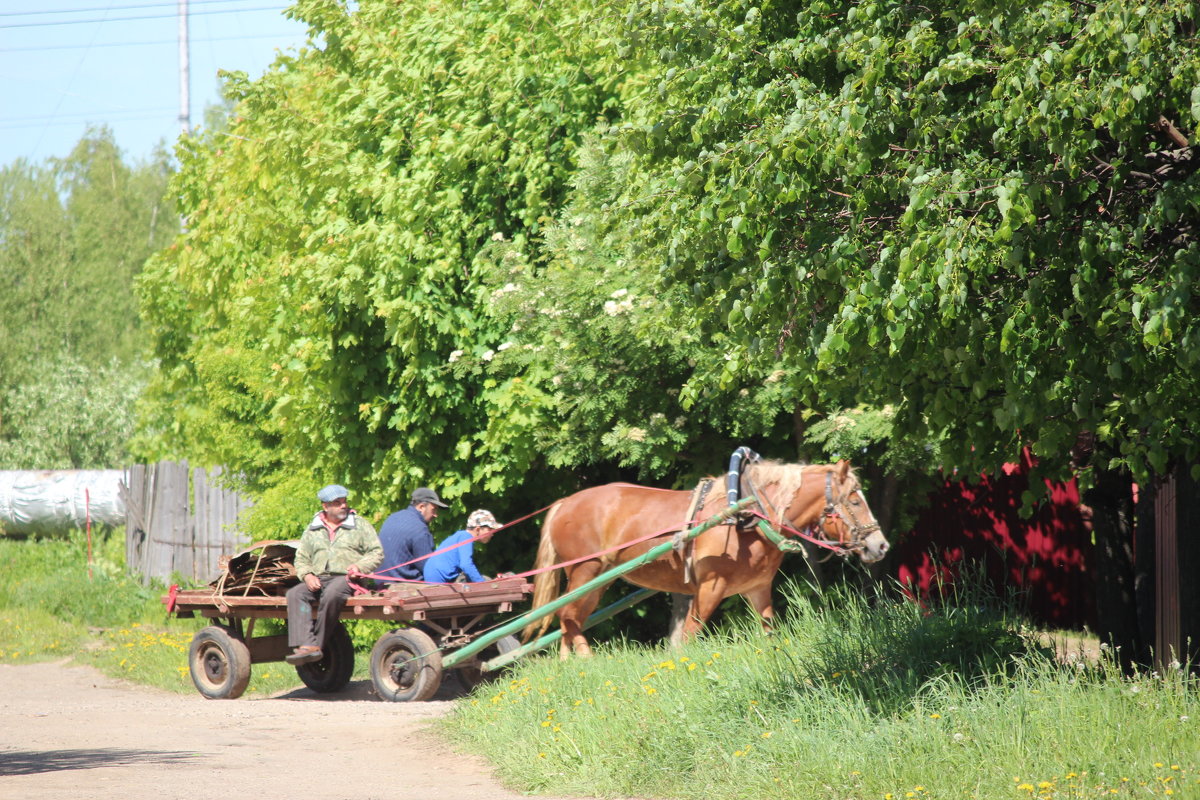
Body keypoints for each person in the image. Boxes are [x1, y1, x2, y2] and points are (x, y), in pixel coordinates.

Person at [284, 484, 383, 665]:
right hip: (320, 578)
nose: (343, 506)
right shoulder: (313, 529)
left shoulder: (359, 525)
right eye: (337, 503)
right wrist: (307, 576)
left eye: (344, 501)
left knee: (332, 594)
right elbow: (301, 559)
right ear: (325, 506)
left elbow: (376, 553)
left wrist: (359, 567)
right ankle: (306, 644)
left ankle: (316, 646)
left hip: (348, 579)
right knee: (295, 594)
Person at [376, 487, 449, 582]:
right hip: (404, 585)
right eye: (433, 509)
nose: (435, 515)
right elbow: (428, 568)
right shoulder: (419, 529)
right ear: (421, 507)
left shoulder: (392, 517)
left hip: (380, 582)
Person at [423, 509, 503, 583]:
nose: (492, 534)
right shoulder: (466, 537)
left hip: (436, 577)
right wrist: (482, 583)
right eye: (489, 530)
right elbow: (466, 565)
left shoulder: (461, 535)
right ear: (478, 529)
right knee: (484, 582)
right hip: (440, 580)